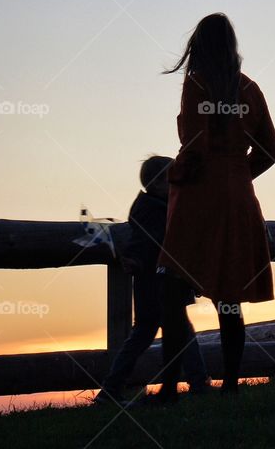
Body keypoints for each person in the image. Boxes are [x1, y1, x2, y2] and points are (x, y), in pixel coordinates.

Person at [156, 12, 275, 402]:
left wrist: (172, 178)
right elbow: (271, 151)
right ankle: (229, 386)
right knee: (229, 295)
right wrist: (240, 176)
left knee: (171, 289)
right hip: (239, 199)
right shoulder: (251, 90)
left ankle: (171, 388)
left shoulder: (197, 85)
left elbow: (194, 148)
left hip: (200, 198)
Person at [93, 155, 210, 405]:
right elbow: (146, 243)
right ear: (159, 184)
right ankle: (112, 389)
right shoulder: (153, 211)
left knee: (170, 333)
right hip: (156, 284)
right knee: (152, 334)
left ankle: (198, 382)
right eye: (173, 180)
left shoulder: (155, 208)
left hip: (161, 282)